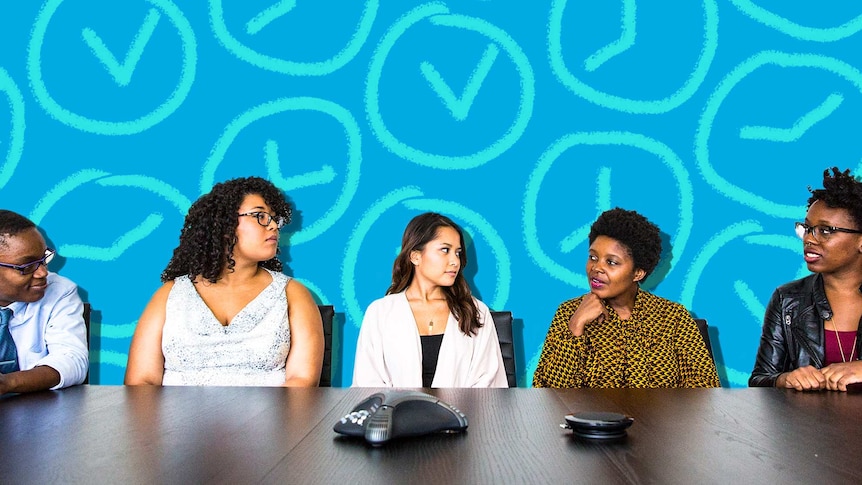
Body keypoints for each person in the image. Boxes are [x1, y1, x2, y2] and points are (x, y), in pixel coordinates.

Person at [125, 177, 323, 386]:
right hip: (175, 418)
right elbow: (140, 382)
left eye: (274, 219)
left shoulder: (293, 294)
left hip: (272, 418)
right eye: (260, 216)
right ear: (224, 225)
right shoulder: (170, 294)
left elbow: (302, 382)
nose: (273, 226)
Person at [532, 208, 719, 388]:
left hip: (660, 420)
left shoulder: (673, 317)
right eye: (593, 257)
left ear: (638, 273)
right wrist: (576, 327)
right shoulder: (569, 312)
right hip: (591, 420)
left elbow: (705, 389)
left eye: (611, 262)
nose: (596, 268)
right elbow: (546, 393)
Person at [353, 212, 508, 388]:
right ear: (415, 256)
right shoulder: (380, 312)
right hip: (395, 414)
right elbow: (367, 383)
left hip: (464, 414)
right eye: (445, 250)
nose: (455, 261)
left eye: (457, 253)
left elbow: (489, 384)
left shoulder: (476, 311)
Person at [750, 167, 862, 391]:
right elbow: (760, 380)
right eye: (808, 228)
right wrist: (784, 379)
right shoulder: (787, 299)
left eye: (826, 230)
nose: (810, 239)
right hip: (808, 425)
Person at [0, 210, 88, 395]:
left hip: (36, 415)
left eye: (43, 259)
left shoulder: (60, 291)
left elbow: (72, 361)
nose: (43, 273)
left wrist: (8, 383)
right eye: (27, 266)